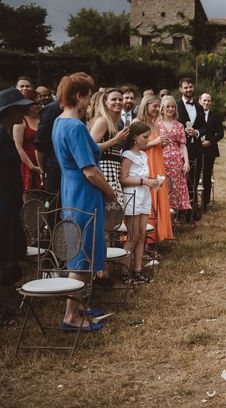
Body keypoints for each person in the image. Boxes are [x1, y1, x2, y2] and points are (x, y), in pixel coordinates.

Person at [53, 73, 117, 331]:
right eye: (88, 95)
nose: (90, 100)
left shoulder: (60, 122)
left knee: (81, 248)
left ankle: (78, 305)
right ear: (78, 96)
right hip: (84, 193)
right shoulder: (76, 126)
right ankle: (71, 316)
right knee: (82, 255)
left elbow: (89, 153)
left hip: (71, 190)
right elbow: (89, 170)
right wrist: (110, 192)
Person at [0, 89, 34, 313]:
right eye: (20, 107)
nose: (24, 111)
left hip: (9, 202)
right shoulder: (0, 135)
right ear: (8, 111)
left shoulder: (5, 132)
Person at [120, 122, 160, 284]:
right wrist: (144, 181)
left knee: (142, 234)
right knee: (132, 235)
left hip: (144, 195)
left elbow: (142, 175)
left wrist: (152, 182)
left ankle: (137, 269)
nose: (147, 140)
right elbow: (123, 179)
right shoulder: (128, 155)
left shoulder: (143, 155)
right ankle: (124, 271)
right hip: (133, 195)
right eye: (144, 137)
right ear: (135, 137)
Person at [133, 94, 174, 243]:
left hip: (157, 164)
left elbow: (154, 145)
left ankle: (153, 238)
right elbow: (134, 147)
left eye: (158, 106)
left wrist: (161, 144)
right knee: (146, 199)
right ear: (146, 105)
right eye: (154, 106)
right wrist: (155, 142)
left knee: (157, 199)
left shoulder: (156, 125)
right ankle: (140, 240)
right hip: (143, 165)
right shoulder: (137, 123)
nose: (157, 109)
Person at [89, 89, 129, 205]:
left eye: (120, 99)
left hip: (115, 171)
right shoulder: (103, 121)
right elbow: (90, 147)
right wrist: (115, 139)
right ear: (106, 102)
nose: (118, 102)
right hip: (103, 170)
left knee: (114, 214)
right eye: (114, 99)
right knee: (108, 211)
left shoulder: (117, 123)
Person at [176, 78, 206, 219]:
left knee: (194, 180)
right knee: (181, 179)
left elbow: (204, 128)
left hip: (196, 149)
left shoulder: (199, 107)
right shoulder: (175, 105)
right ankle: (178, 211)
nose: (188, 90)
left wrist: (197, 133)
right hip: (180, 149)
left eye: (190, 87)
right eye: (185, 87)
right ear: (181, 89)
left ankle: (192, 211)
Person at [158, 96, 191, 214]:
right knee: (162, 187)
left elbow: (183, 145)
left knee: (174, 189)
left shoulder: (179, 125)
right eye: (168, 106)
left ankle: (172, 220)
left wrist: (186, 162)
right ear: (162, 109)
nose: (171, 109)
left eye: (173, 107)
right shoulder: (156, 124)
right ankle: (161, 217)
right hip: (160, 160)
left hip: (176, 162)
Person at [13, 88, 43, 193]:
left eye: (40, 102)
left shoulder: (42, 119)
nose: (38, 105)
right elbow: (18, 147)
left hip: (42, 163)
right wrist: (32, 167)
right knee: (28, 197)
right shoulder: (21, 121)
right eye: (34, 103)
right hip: (26, 164)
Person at [199, 92, 224, 210]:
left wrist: (210, 142)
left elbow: (220, 133)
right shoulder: (195, 114)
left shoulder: (215, 116)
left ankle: (205, 202)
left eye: (208, 100)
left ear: (211, 102)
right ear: (200, 101)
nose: (206, 102)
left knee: (207, 176)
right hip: (196, 149)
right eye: (204, 100)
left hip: (210, 150)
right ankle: (193, 202)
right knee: (194, 176)